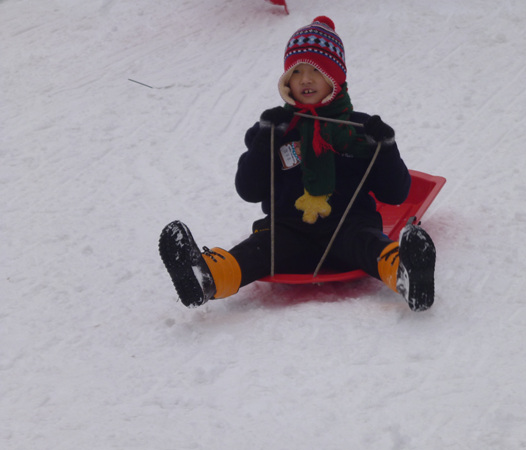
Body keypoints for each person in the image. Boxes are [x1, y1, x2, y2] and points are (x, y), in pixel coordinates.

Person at [159, 16, 436, 311]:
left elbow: (396, 194)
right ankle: (205, 278)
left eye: (316, 70)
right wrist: (266, 139)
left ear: (335, 76)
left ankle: (408, 274)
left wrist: (386, 148)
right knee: (256, 251)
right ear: (286, 80)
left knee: (371, 246)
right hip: (288, 229)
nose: (305, 79)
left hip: (349, 226)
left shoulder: (360, 129)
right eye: (297, 71)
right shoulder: (276, 128)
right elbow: (249, 190)